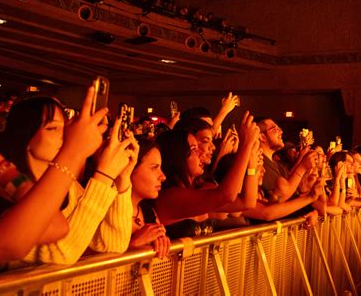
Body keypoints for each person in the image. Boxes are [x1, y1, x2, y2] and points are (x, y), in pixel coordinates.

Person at [0, 94, 137, 265]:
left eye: (64, 128)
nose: (63, 136)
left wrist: (121, 177)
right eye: (52, 128)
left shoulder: (70, 187)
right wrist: (104, 175)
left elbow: (113, 245)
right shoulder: (11, 187)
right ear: (26, 136)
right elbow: (59, 254)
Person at [0, 87, 108, 271]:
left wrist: (2, 167)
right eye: (52, 128)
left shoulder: (3, 181)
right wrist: (76, 154)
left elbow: (55, 226)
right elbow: (8, 243)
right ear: (25, 135)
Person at [154, 111, 259, 239]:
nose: (200, 153)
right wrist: (245, 146)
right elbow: (226, 195)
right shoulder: (170, 196)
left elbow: (246, 202)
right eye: (193, 149)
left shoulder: (199, 188)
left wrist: (252, 161)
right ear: (178, 154)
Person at [256, 118, 317, 203]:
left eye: (279, 129)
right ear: (262, 137)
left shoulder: (276, 163)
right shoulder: (260, 163)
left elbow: (290, 182)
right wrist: (302, 166)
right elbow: (282, 197)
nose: (281, 132)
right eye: (275, 129)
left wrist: (303, 156)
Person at [130, 138, 170, 259]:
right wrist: (134, 245)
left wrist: (163, 244)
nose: (163, 177)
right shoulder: (106, 212)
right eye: (154, 167)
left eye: (160, 168)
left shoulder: (149, 212)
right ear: (130, 168)